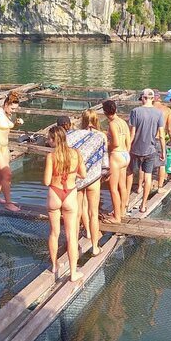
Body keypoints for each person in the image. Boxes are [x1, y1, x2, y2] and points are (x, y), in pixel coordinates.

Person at [58, 111, 107, 255]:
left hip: (78, 179)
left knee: (77, 213)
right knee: (93, 212)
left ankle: (73, 244)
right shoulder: (100, 136)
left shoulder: (69, 137)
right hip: (93, 178)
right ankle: (95, 247)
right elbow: (104, 160)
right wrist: (102, 172)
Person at [44, 125, 86, 282]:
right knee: (71, 236)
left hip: (55, 193)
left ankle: (54, 265)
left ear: (55, 140)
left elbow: (46, 181)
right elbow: (84, 174)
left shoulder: (51, 157)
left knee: (54, 233)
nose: (47, 141)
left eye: (49, 139)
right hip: (70, 194)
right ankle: (73, 273)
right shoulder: (76, 153)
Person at [127, 88, 165, 214]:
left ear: (143, 98)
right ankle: (143, 205)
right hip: (150, 149)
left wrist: (127, 148)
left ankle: (126, 200)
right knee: (148, 176)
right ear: (153, 98)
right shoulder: (159, 113)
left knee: (130, 173)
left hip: (135, 149)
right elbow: (161, 134)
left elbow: (132, 133)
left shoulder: (135, 111)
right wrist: (164, 151)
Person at [102, 100, 130, 223]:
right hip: (125, 155)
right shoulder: (123, 122)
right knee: (122, 185)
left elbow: (116, 143)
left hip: (117, 156)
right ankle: (122, 211)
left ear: (104, 112)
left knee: (113, 188)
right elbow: (128, 141)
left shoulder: (113, 124)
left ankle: (116, 217)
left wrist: (107, 146)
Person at [152, 89, 171, 192]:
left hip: (146, 140)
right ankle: (160, 187)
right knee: (161, 164)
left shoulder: (146, 109)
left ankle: (143, 184)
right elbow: (170, 128)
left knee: (145, 163)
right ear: (160, 98)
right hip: (159, 139)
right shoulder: (166, 110)